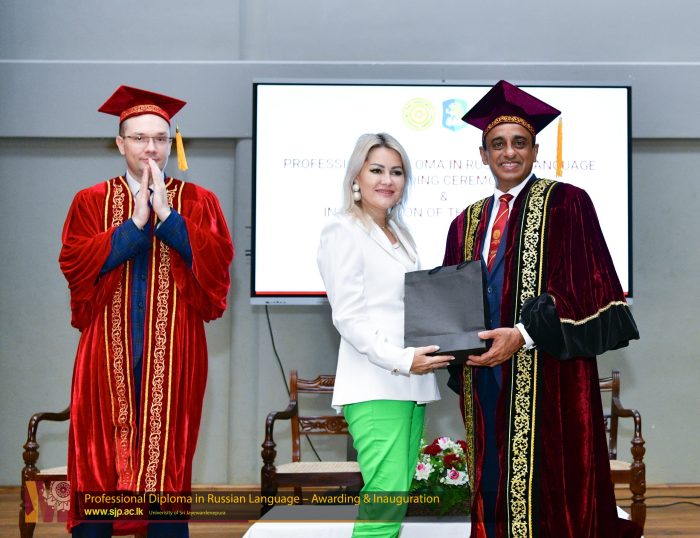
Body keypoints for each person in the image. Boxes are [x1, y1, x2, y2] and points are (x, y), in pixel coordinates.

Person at [442, 80, 641, 538]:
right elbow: (451, 300)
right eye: (497, 144)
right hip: (484, 374)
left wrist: (523, 333)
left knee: (552, 484)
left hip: (549, 373)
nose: (508, 152)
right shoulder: (464, 222)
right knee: (492, 477)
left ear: (535, 150)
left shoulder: (568, 203)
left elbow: (587, 288)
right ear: (483, 154)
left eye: (519, 142)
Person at [59, 85, 234, 537]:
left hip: (176, 353)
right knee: (97, 458)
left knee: (168, 459)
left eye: (159, 138)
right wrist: (135, 225)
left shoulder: (200, 202)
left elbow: (217, 267)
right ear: (121, 144)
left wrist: (169, 219)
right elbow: (75, 263)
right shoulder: (90, 200)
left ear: (172, 142)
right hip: (105, 352)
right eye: (139, 138)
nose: (150, 147)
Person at [317, 133, 451, 537]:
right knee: (385, 498)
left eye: (397, 172)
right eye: (376, 170)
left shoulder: (401, 234)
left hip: (412, 383)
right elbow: (349, 317)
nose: (387, 180)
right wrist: (402, 359)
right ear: (356, 177)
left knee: (395, 498)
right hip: (376, 383)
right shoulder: (342, 230)